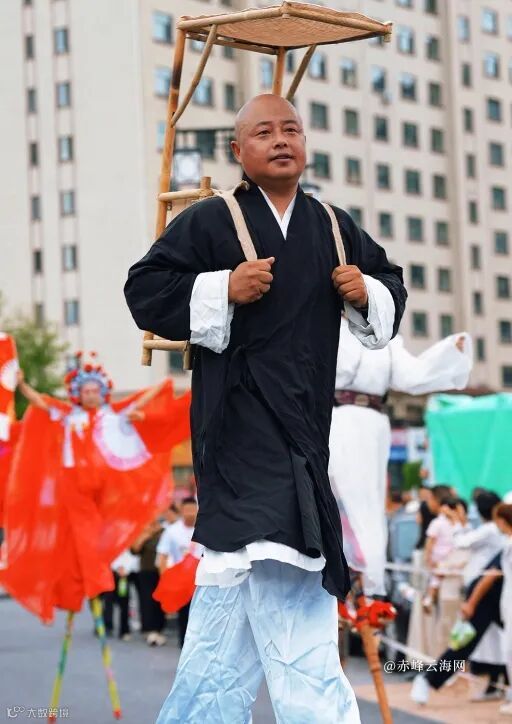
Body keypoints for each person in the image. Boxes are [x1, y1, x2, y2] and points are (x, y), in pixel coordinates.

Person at [125, 93, 407, 723]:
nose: (281, 140)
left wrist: (366, 291)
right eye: (264, 132)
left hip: (305, 432)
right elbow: (144, 288)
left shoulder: (333, 225)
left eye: (291, 129)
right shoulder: (209, 220)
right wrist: (223, 286)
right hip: (236, 431)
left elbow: (392, 283)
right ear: (238, 150)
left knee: (224, 635)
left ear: (305, 143)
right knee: (291, 596)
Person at [0, 352, 190, 622]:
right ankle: (92, 580)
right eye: (86, 391)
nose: (91, 395)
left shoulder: (110, 414)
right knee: (83, 534)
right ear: (78, 393)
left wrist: (161, 385)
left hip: (104, 484)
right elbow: (40, 401)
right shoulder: (68, 415)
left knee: (98, 534)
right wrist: (20, 383)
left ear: (102, 392)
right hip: (74, 484)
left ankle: (86, 579)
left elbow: (138, 401)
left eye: (95, 391)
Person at [329, 323, 472, 598]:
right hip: (336, 419)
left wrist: (449, 352)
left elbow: (413, 376)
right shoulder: (325, 324)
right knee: (337, 499)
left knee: (370, 507)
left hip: (373, 424)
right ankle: (338, 571)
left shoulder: (384, 334)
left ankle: (367, 582)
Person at [156, 497, 202, 646]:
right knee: (184, 614)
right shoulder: (172, 531)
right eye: (187, 510)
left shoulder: (205, 528)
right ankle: (184, 644)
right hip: (181, 581)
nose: (190, 513)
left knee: (200, 614)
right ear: (181, 511)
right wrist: (165, 580)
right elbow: (162, 556)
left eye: (193, 509)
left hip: (200, 580)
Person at [131, 520, 167, 646]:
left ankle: (159, 628)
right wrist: (146, 535)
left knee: (160, 600)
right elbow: (134, 550)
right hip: (146, 571)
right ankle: (148, 628)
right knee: (146, 600)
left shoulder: (164, 532)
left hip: (161, 571)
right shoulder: (143, 531)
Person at [102, 549, 138, 641]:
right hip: (110, 573)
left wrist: (126, 569)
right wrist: (117, 567)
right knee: (108, 600)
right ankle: (107, 625)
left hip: (124, 576)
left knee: (124, 602)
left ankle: (124, 630)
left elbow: (133, 555)